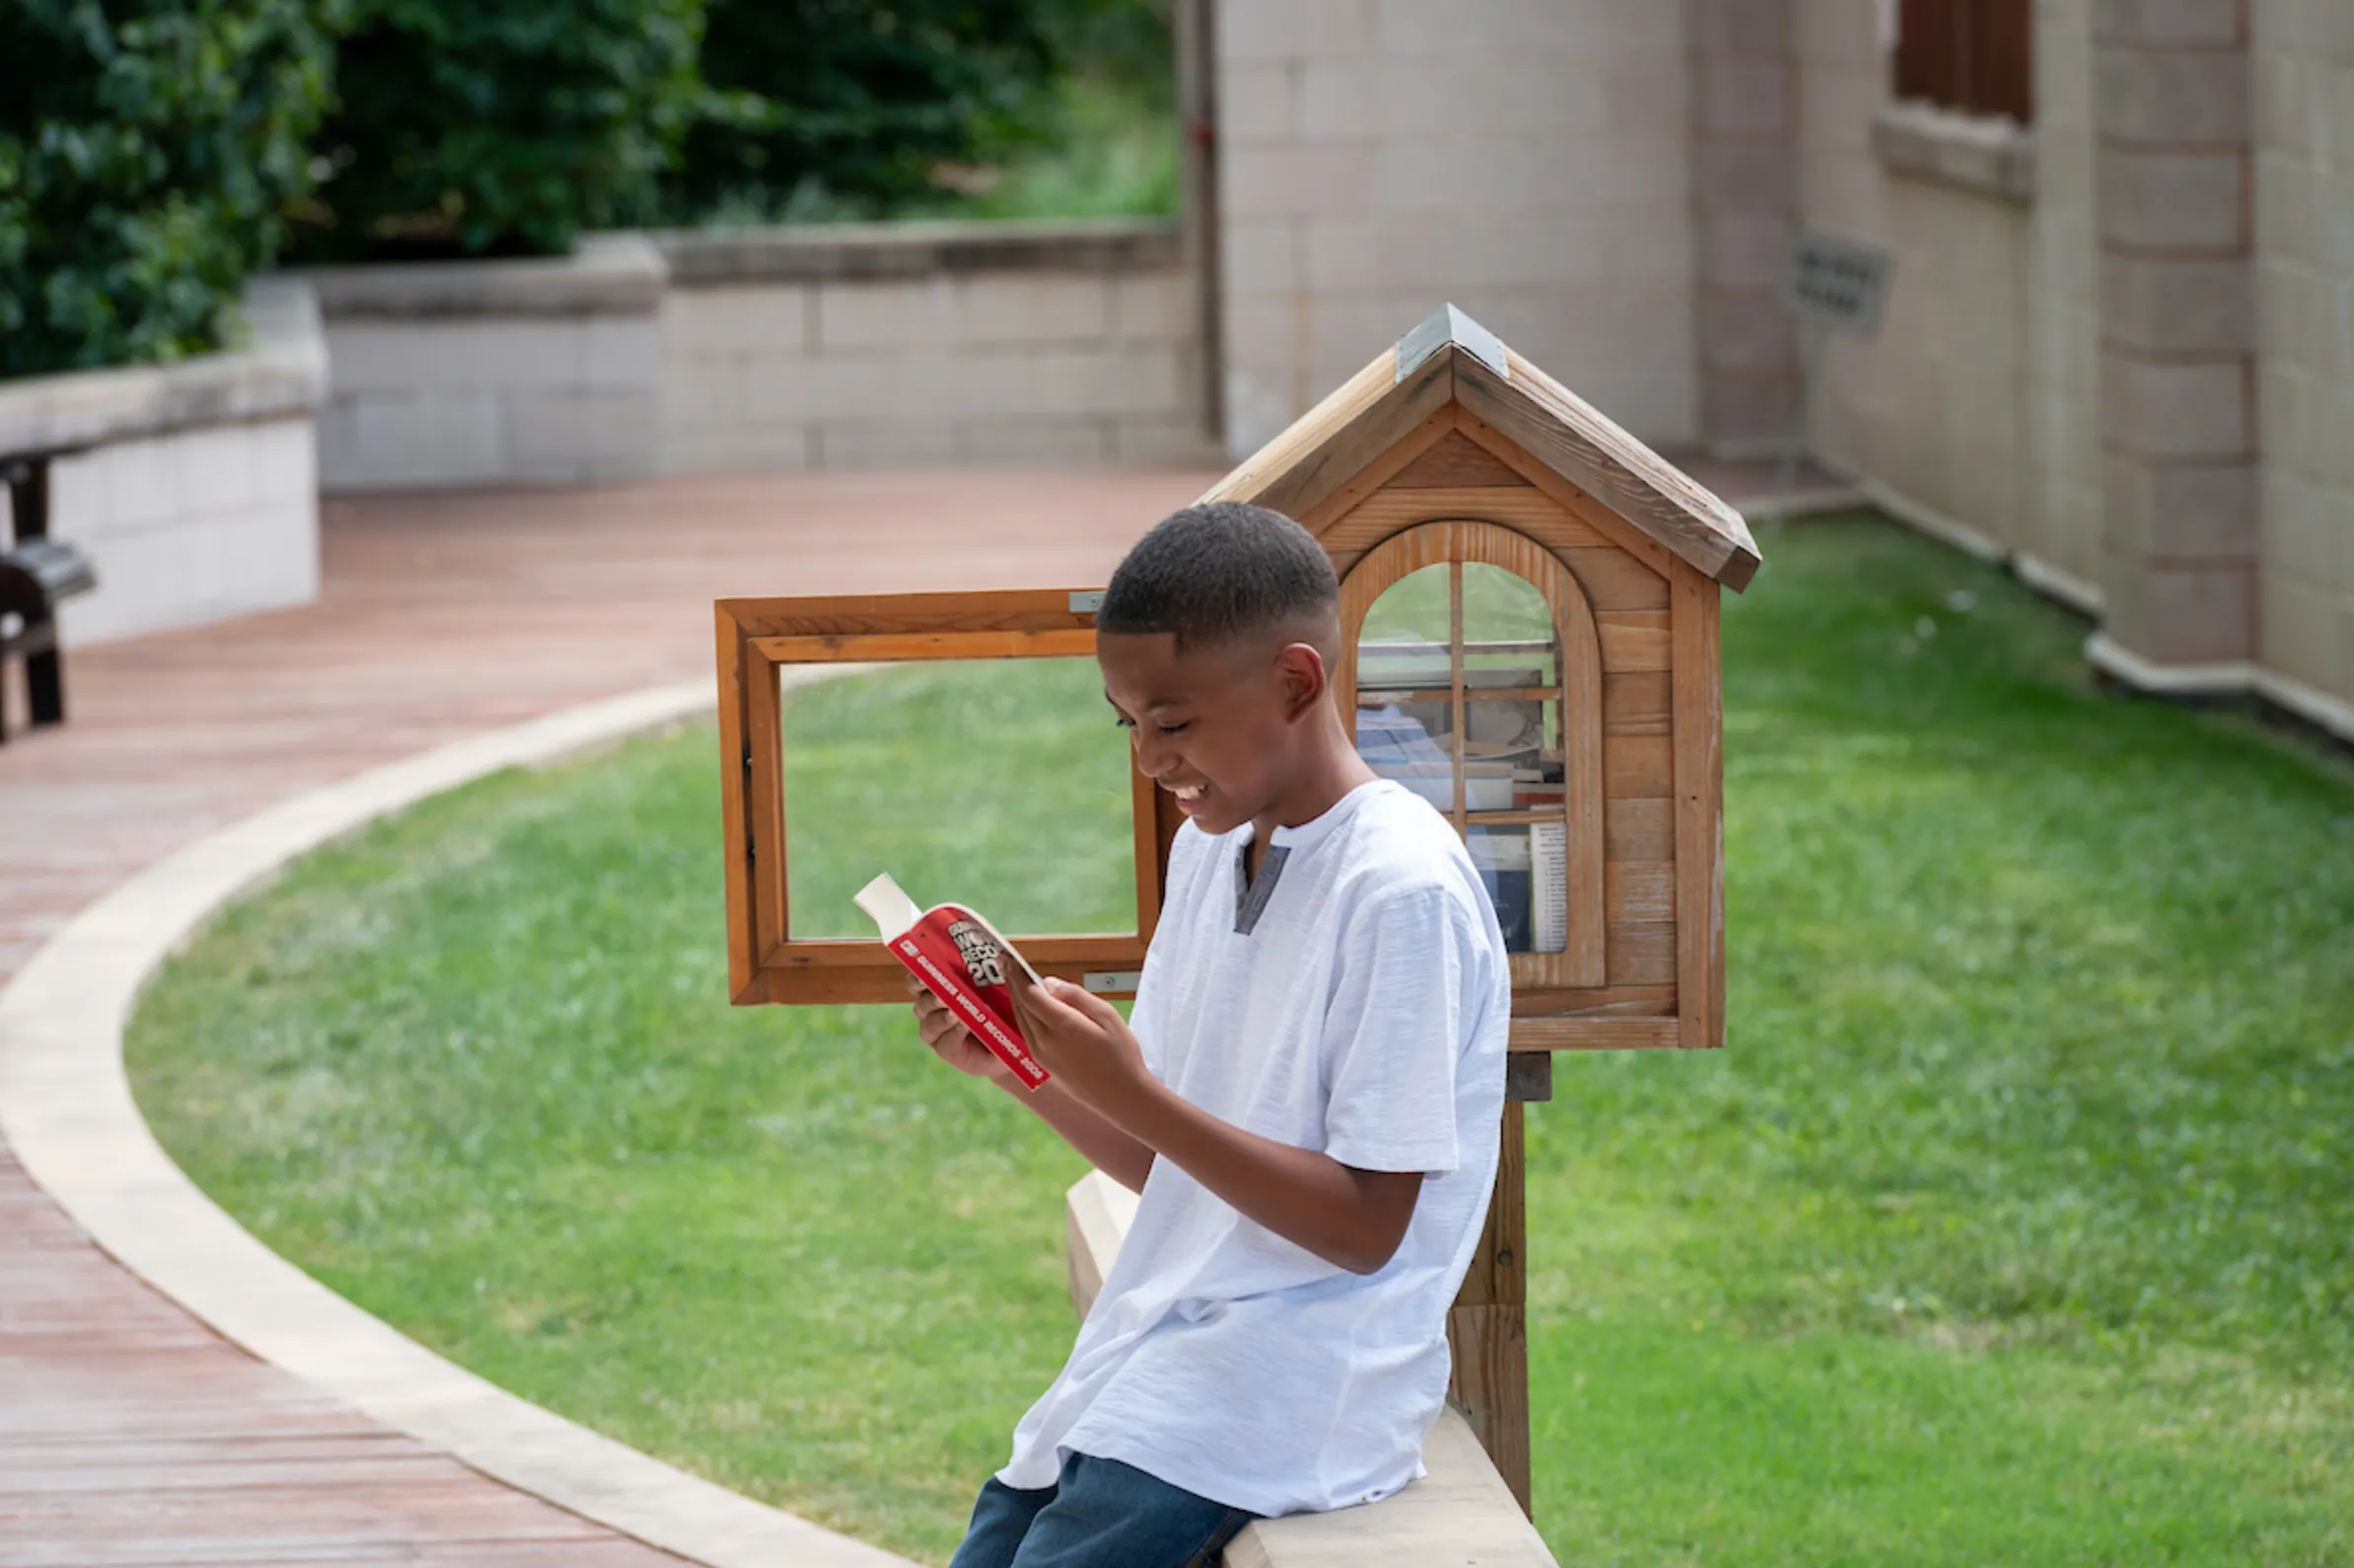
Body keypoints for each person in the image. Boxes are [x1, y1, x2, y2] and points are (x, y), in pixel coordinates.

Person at [906, 501, 1510, 1568]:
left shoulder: (1398, 891)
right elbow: (1170, 1162)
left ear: (1293, 682)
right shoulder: (1208, 849)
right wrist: (1027, 1070)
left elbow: (1367, 1227)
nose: (1144, 757)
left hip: (1290, 1381)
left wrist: (1128, 1087)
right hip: (1158, 1353)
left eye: (1170, 722)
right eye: (1124, 722)